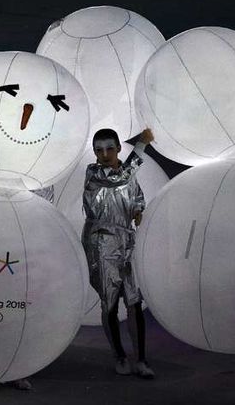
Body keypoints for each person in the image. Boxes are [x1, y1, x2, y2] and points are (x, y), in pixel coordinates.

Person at [82, 127, 155, 379]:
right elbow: (119, 180)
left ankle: (141, 359)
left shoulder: (127, 173)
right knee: (110, 303)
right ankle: (119, 355)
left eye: (109, 148)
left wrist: (137, 209)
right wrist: (142, 144)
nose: (104, 154)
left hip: (126, 244)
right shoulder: (94, 173)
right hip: (101, 245)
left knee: (134, 301)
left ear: (118, 148)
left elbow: (135, 194)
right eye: (99, 150)